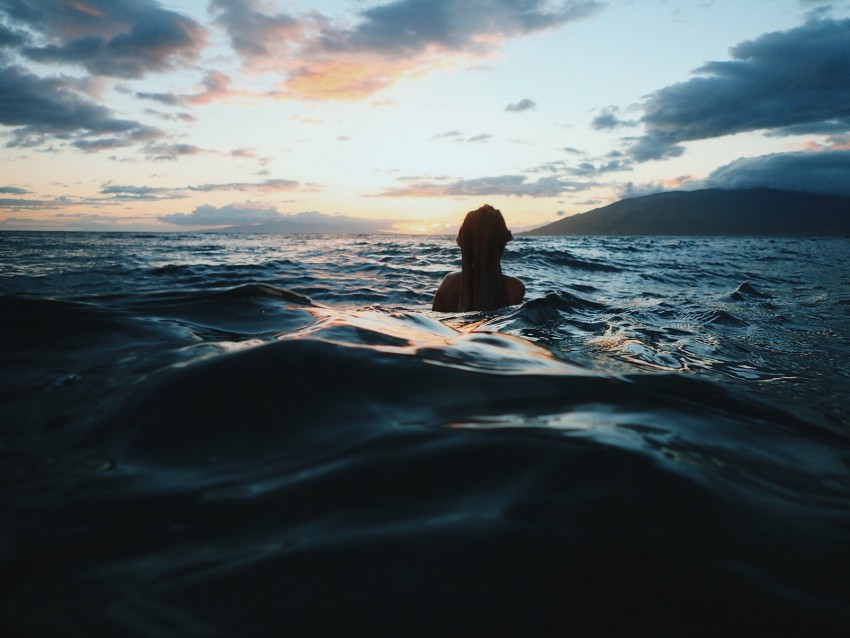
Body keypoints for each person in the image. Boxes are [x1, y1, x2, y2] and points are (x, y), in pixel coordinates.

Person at [432, 204, 525, 312]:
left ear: (463, 243)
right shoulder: (514, 289)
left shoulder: (449, 285)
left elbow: (430, 327)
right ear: (502, 244)